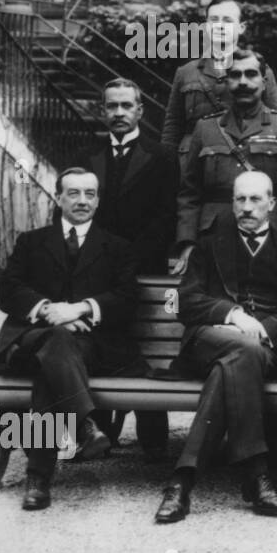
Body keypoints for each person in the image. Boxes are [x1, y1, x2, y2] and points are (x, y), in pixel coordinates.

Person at [153, 172, 277, 523]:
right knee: (242, 351)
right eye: (240, 199)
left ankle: (182, 482)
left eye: (255, 199)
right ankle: (256, 476)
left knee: (235, 362)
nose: (246, 207)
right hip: (209, 340)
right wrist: (232, 314)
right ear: (232, 203)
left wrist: (266, 329)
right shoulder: (210, 244)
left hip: (265, 349)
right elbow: (184, 300)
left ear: (272, 204)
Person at [0, 168, 144, 510]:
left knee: (53, 362)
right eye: (73, 193)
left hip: (88, 347)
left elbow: (126, 298)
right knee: (56, 343)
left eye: (90, 194)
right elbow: (9, 290)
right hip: (28, 342)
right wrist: (48, 310)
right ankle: (83, 425)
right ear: (58, 197)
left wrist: (78, 309)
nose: (82, 201)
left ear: (98, 200)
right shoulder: (31, 242)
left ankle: (39, 477)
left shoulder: (117, 247)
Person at [72, 78, 178, 459]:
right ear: (103, 110)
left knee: (150, 346)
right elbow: (73, 211)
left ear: (140, 110)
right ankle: (100, 432)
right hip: (96, 273)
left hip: (144, 270)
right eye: (111, 106)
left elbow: (167, 216)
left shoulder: (162, 156)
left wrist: (129, 258)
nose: (118, 112)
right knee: (101, 344)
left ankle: (153, 438)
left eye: (125, 106)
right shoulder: (86, 157)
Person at [173, 52, 277, 275]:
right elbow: (189, 193)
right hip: (212, 239)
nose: (243, 81)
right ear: (226, 83)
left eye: (251, 74)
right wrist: (187, 242)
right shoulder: (205, 128)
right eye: (235, 75)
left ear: (264, 83)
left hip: (269, 238)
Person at [161, 0, 277, 176]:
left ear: (241, 27)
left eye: (227, 21)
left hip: (242, 161)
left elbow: (275, 121)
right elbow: (173, 126)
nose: (219, 26)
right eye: (214, 20)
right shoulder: (186, 72)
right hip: (192, 165)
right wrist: (167, 166)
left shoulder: (259, 70)